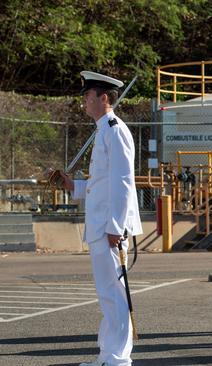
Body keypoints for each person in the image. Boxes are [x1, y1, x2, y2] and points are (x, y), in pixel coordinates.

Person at [58, 71, 142, 366]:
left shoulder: (115, 129)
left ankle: (119, 358)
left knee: (115, 294)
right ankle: (108, 355)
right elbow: (101, 184)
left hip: (109, 227)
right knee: (107, 294)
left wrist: (116, 227)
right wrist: (74, 187)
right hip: (101, 225)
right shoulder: (104, 130)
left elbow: (122, 182)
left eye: (87, 96)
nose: (84, 102)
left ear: (103, 98)